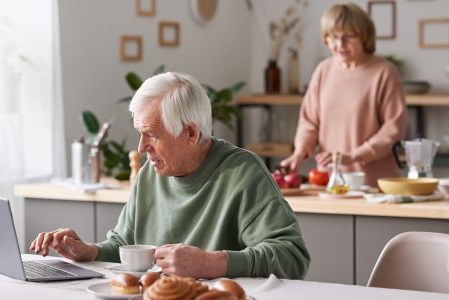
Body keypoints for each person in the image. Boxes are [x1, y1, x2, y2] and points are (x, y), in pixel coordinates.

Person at [30, 72, 310, 279]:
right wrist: (88, 252)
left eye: (152, 134)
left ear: (190, 133)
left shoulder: (242, 172)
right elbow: (123, 246)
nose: (141, 148)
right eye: (140, 134)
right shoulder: (150, 175)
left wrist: (213, 264)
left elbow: (292, 257)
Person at [281, 3, 407, 187]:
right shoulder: (323, 70)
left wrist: (352, 157)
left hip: (375, 185)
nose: (340, 45)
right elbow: (309, 122)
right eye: (333, 37)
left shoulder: (385, 72)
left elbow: (393, 130)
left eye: (348, 37)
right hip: (329, 182)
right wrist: (299, 153)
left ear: (364, 36)